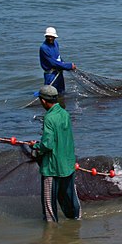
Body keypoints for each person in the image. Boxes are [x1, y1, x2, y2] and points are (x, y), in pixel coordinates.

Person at [32, 85, 81, 223]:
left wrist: (36, 147)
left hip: (52, 168)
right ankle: (76, 222)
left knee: (49, 207)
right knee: (71, 199)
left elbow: (47, 144)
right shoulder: (65, 113)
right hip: (68, 164)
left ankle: (51, 235)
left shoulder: (49, 118)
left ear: (43, 101)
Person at [39, 27, 76, 108]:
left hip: (59, 73)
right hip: (50, 75)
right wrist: (69, 66)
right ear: (46, 36)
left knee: (61, 93)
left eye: (52, 36)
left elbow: (58, 58)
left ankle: (61, 108)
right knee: (50, 95)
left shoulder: (56, 44)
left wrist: (64, 64)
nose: (50, 38)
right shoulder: (44, 48)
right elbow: (53, 63)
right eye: (49, 36)